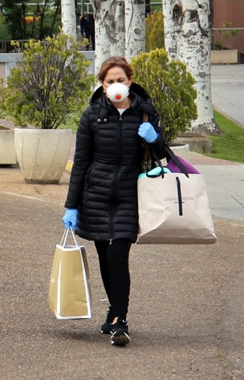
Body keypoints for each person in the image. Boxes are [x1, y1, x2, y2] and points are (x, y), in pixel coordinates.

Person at [62, 56, 167, 347]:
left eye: (121, 80)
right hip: (94, 196)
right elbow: (81, 162)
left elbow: (161, 152)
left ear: (130, 82)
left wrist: (153, 137)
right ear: (102, 85)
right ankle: (113, 311)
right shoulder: (92, 115)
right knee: (104, 259)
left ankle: (121, 320)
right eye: (110, 81)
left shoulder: (145, 113)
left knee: (117, 255)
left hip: (129, 196)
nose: (116, 85)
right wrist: (71, 205)